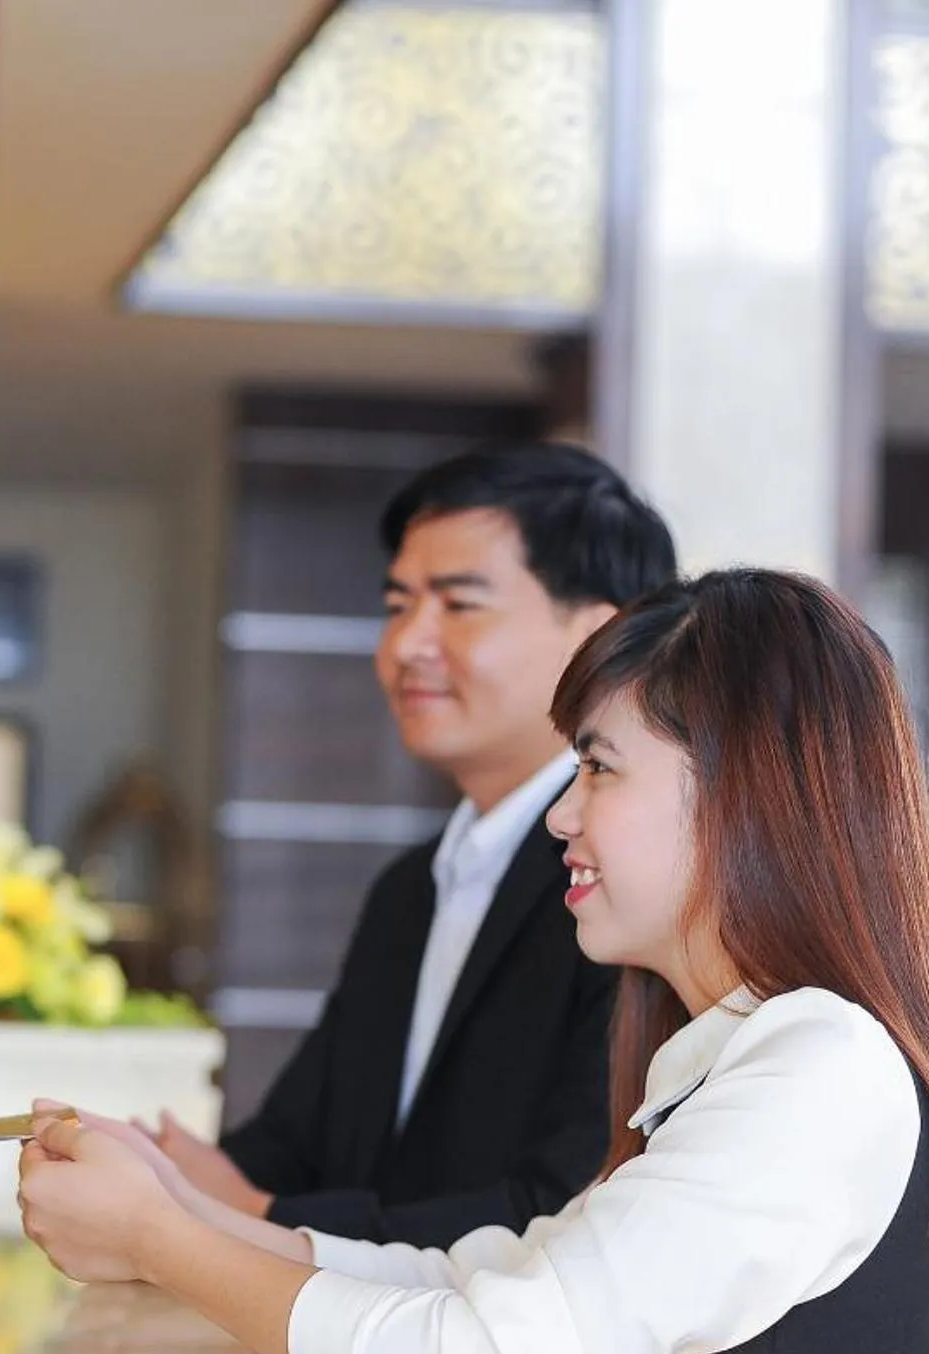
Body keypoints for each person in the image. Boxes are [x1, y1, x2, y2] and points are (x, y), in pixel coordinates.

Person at [17, 568, 929, 1354]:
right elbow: (484, 1279)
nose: (558, 816)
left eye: (598, 767)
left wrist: (158, 1237)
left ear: (742, 789)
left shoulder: (818, 1069)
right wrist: (181, 1215)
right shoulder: (728, 1057)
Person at [158, 444, 677, 1246]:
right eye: (398, 605)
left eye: (459, 605)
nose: (406, 645)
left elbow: (565, 1208)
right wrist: (155, 1172)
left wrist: (256, 1219)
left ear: (601, 636)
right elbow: (294, 1147)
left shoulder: (631, 890)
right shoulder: (409, 888)